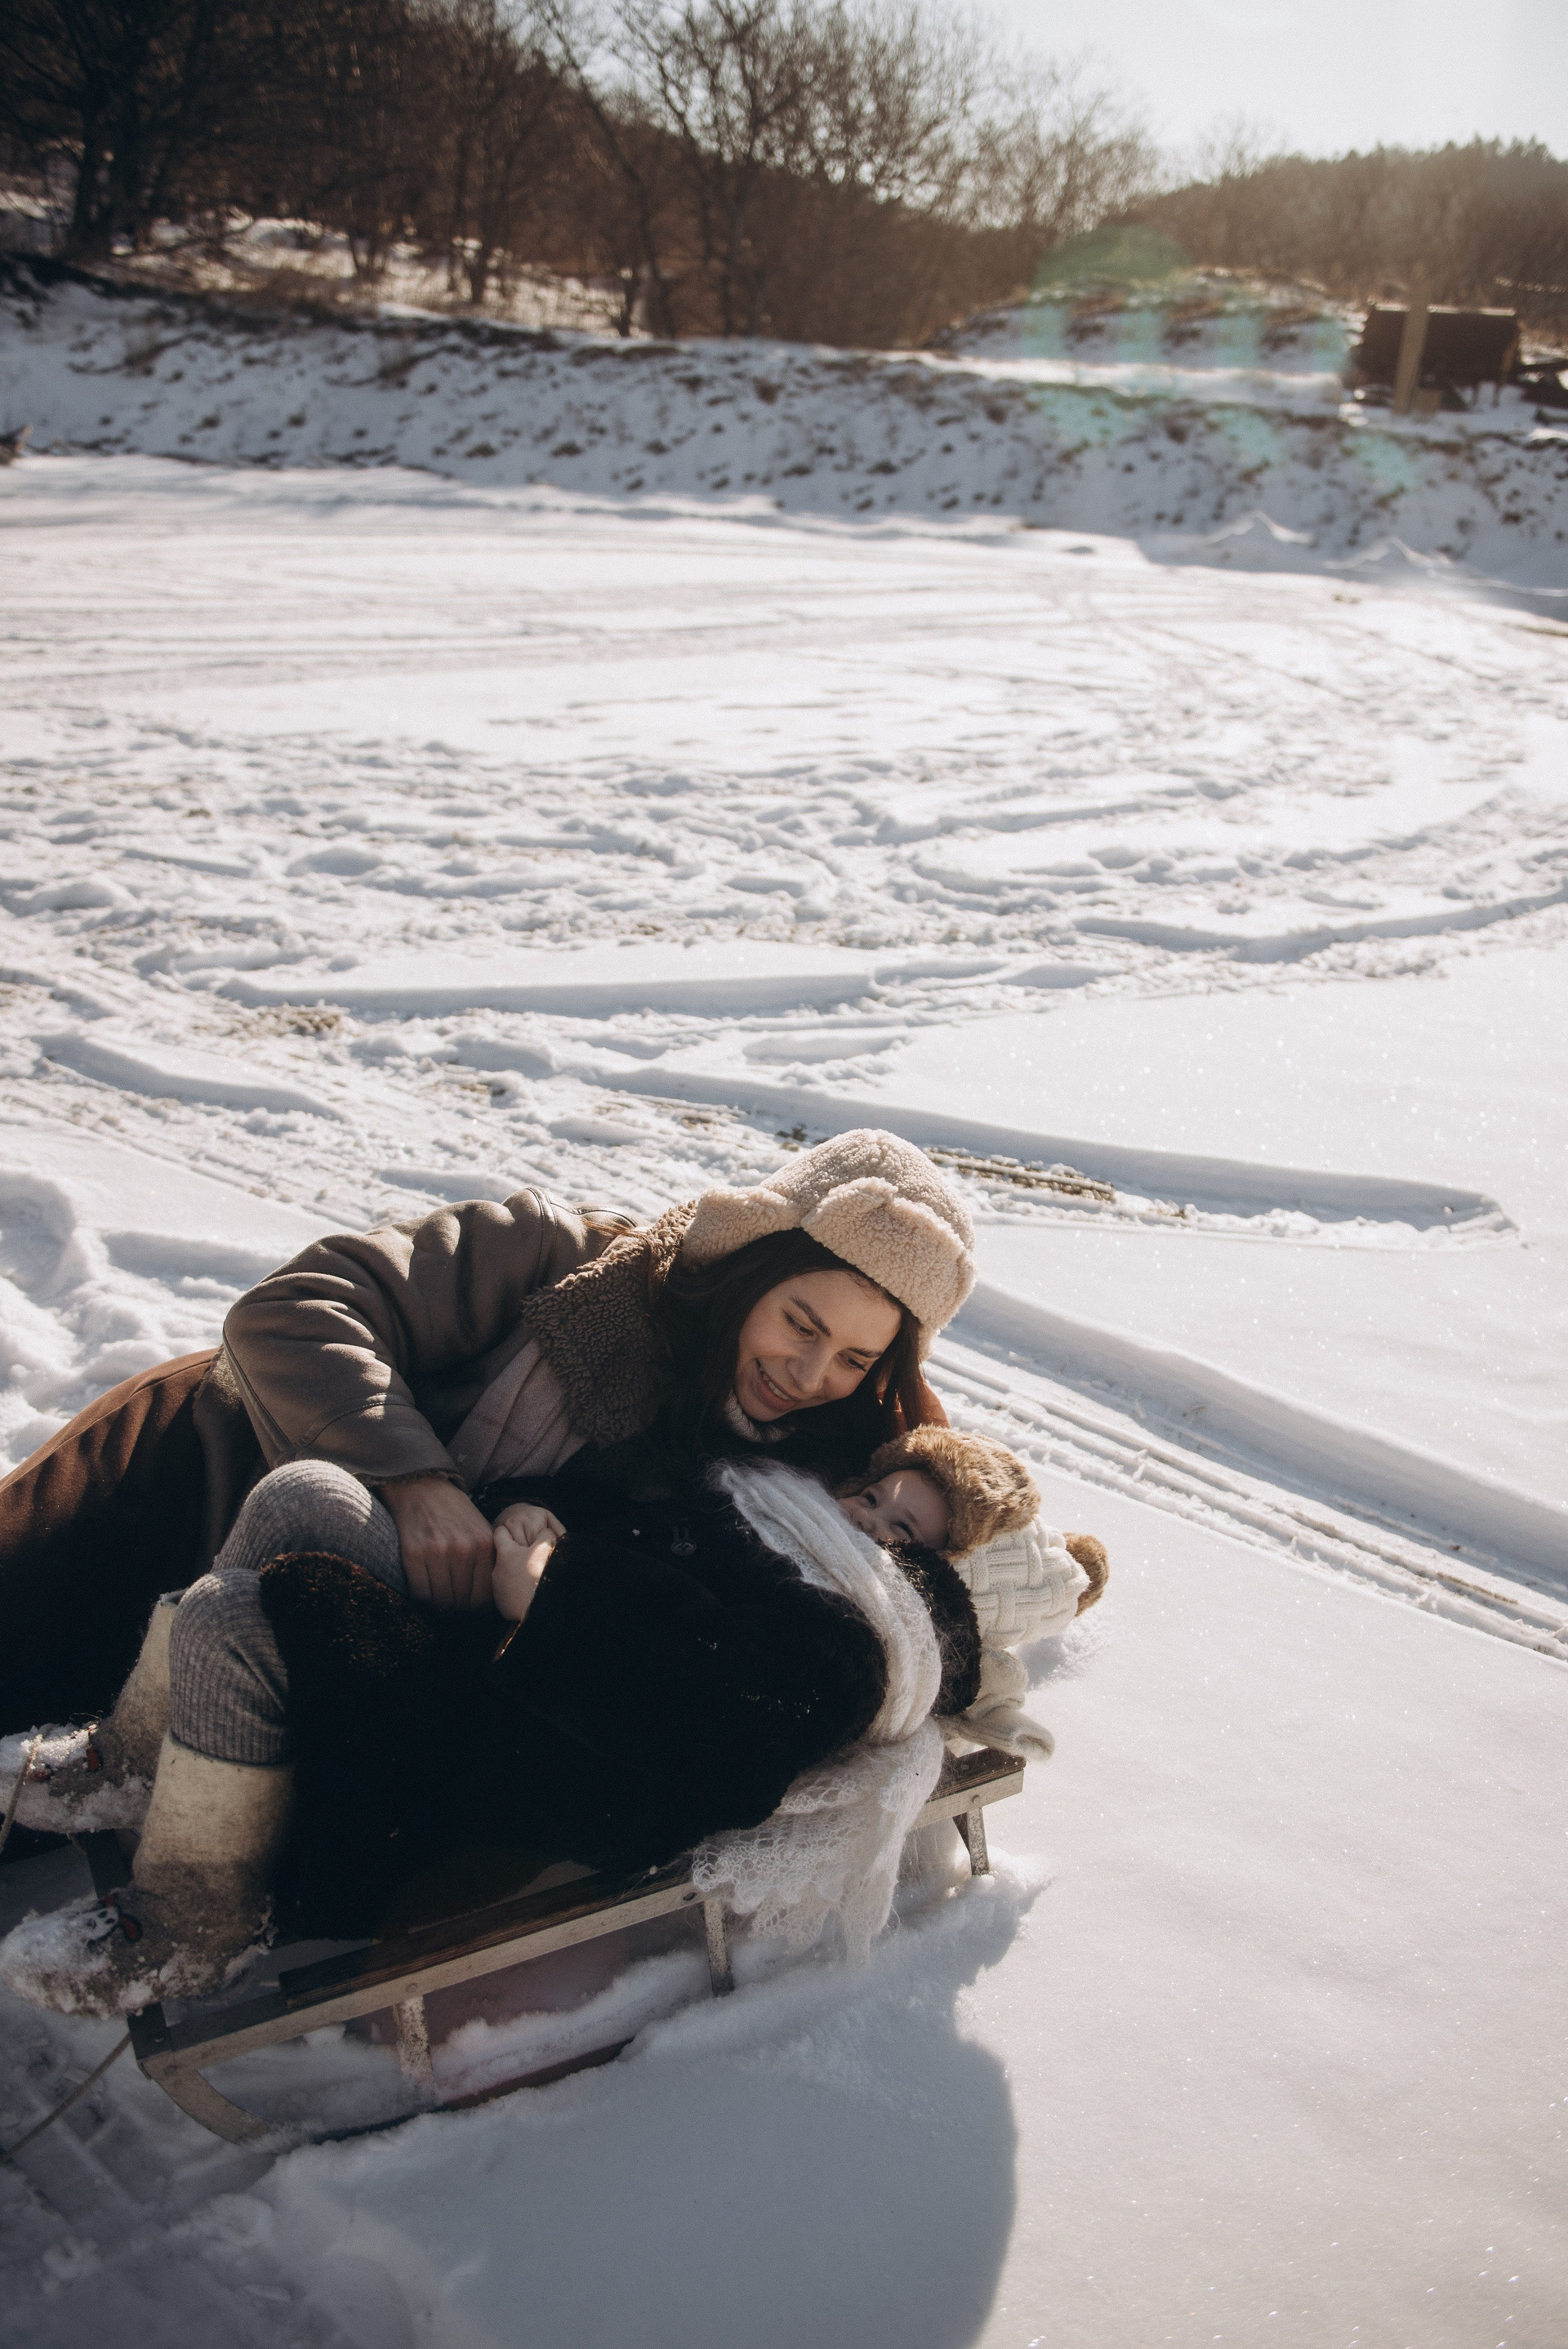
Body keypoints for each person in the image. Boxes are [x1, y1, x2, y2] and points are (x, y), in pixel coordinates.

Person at [0, 1418, 1107, 2016]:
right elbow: (627, 1521)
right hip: (485, 1652)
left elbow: (715, 1732)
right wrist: (537, 1519)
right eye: (873, 1495)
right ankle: (136, 1765)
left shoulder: (854, 1650)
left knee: (233, 1620)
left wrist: (550, 1595)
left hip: (507, 1759)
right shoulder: (765, 1510)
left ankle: (200, 1920)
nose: (863, 1522)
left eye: (903, 1531)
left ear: (936, 1583)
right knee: (306, 1496)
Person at [0, 1127, 975, 1732]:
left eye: (854, 1357)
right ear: (748, 1271)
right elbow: (291, 1309)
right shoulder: (561, 1261)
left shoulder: (824, 1439)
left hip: (296, 1598)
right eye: (799, 1324)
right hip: (196, 1464)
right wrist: (415, 1479)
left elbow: (950, 1508)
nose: (808, 1375)